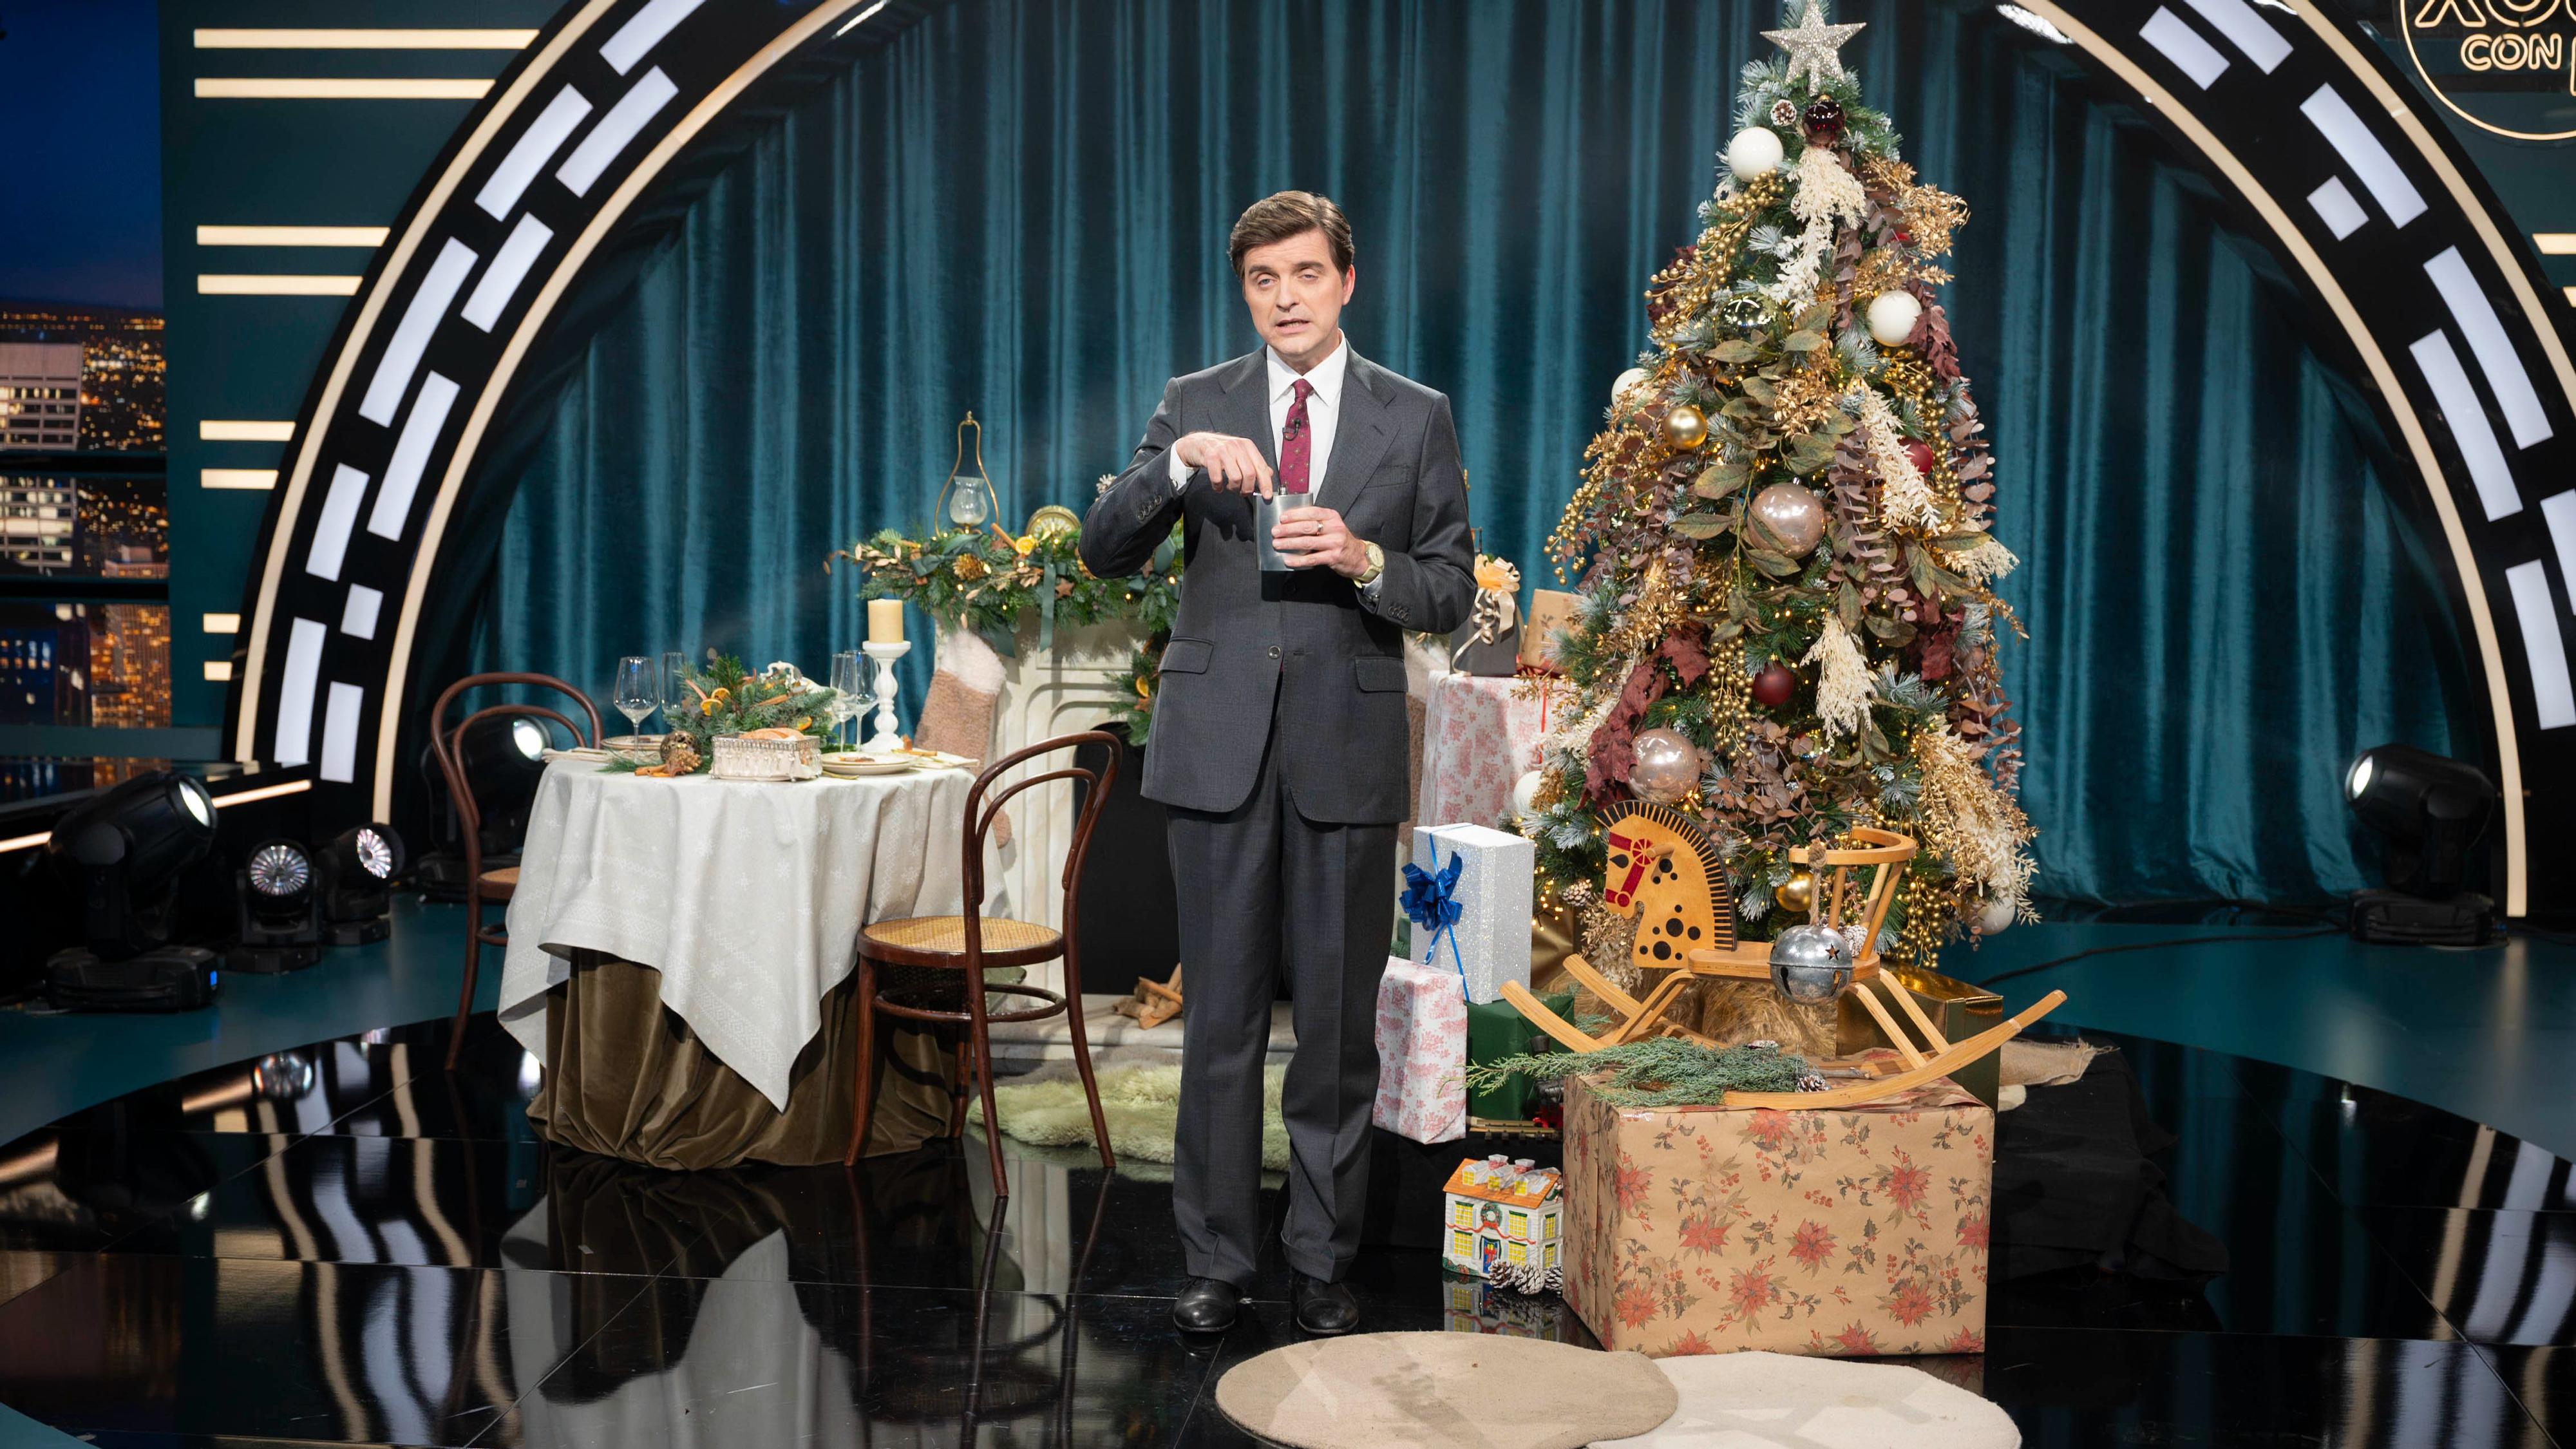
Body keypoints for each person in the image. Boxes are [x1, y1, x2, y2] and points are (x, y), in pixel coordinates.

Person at [1079, 191, 1474, 1336]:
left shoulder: (1416, 415)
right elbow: (1105, 549)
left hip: (1346, 751)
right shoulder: (1195, 402)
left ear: (1346, 282)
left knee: (1338, 1031)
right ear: (1245, 292)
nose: (1286, 297)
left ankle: (1321, 1259)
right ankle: (1215, 1258)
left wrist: (1363, 557)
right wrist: (1172, 466)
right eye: (1263, 279)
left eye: (1305, 274)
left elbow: (1449, 585)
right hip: (1217, 750)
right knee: (1220, 1024)